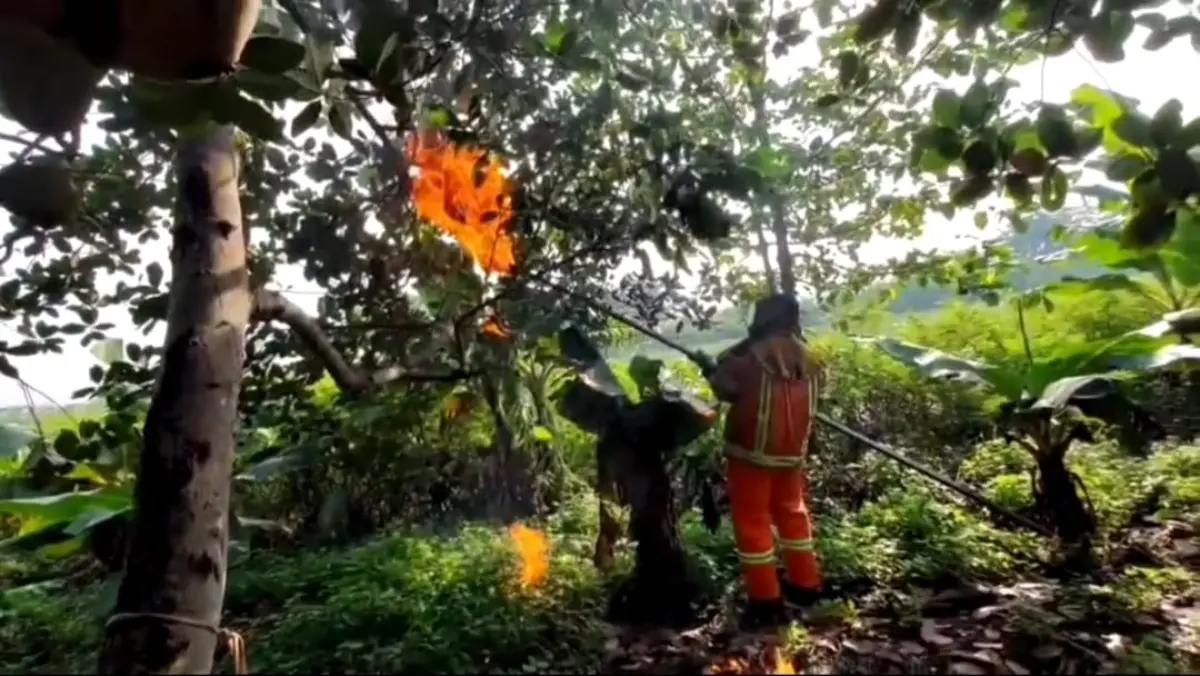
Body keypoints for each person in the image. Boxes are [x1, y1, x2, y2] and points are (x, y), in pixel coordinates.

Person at [696, 293, 825, 631]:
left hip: (751, 452)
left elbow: (726, 387)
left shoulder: (751, 354)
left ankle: (765, 600)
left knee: (753, 522)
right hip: (791, 453)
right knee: (793, 515)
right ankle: (806, 585)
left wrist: (709, 368)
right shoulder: (811, 356)